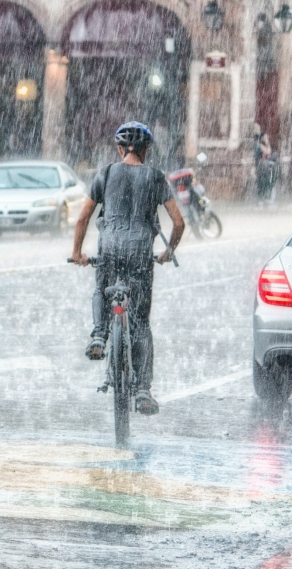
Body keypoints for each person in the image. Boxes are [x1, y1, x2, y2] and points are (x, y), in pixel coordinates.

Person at [71, 121, 185, 416]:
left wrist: (77, 253)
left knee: (101, 287)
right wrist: (167, 251)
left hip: (109, 248)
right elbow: (178, 222)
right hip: (139, 253)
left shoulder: (106, 173)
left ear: (120, 149)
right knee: (141, 324)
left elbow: (83, 218)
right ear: (146, 151)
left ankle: (98, 335)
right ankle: (144, 390)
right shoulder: (156, 177)